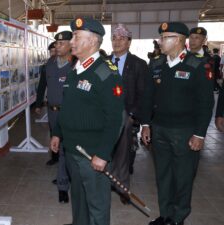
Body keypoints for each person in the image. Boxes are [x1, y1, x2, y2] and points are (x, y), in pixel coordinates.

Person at [50, 17, 124, 225]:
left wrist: (103, 154)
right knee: (79, 198)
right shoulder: (76, 68)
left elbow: (115, 119)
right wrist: (57, 132)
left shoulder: (105, 73)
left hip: (92, 152)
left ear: (92, 41)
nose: (72, 41)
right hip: (72, 149)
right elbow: (68, 107)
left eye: (76, 37)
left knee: (97, 203)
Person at [140, 22, 214, 225]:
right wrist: (146, 124)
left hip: (185, 131)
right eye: (161, 37)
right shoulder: (156, 64)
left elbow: (206, 103)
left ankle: (178, 216)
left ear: (180, 40)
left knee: (183, 176)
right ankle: (165, 215)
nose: (160, 41)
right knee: (163, 175)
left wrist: (199, 134)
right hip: (160, 129)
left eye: (165, 37)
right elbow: (147, 97)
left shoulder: (197, 65)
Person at [109, 24, 147, 204]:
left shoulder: (138, 64)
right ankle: (106, 183)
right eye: (114, 38)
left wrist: (132, 115)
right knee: (105, 153)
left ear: (129, 42)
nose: (117, 42)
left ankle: (123, 189)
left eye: (121, 38)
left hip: (127, 116)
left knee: (124, 157)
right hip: (105, 117)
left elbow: (142, 93)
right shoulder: (103, 62)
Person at [35, 31, 76, 203]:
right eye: (56, 44)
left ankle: (70, 181)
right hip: (53, 113)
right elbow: (43, 85)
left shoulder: (77, 64)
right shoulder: (49, 65)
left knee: (70, 150)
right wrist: (38, 104)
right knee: (59, 149)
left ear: (70, 45)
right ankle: (62, 186)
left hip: (71, 113)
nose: (57, 47)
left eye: (61, 44)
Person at [36, 41, 60, 166]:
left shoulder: (69, 64)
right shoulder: (46, 66)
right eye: (51, 51)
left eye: (55, 50)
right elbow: (41, 86)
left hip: (65, 107)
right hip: (52, 108)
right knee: (53, 131)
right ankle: (55, 157)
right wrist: (38, 104)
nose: (53, 53)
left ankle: (64, 162)